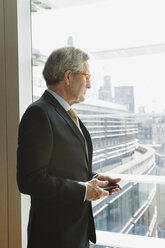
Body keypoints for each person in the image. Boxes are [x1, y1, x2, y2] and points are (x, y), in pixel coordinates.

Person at [17, 46, 122, 248]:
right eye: (86, 76)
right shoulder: (39, 114)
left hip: (75, 234)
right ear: (68, 76)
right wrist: (84, 191)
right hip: (54, 237)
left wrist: (95, 179)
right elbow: (30, 180)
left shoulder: (64, 114)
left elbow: (63, 167)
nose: (89, 85)